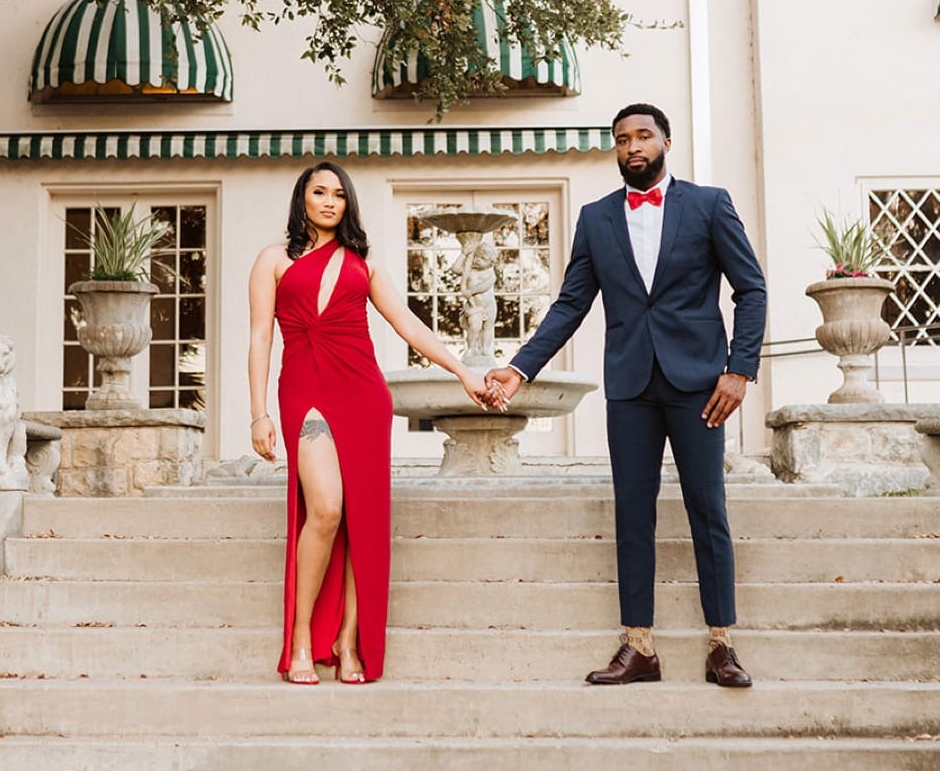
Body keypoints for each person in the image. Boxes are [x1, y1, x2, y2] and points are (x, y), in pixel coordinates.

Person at [486, 103, 767, 688]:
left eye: (643, 136)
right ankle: (638, 646)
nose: (632, 146)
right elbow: (570, 304)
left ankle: (722, 646)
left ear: (667, 141)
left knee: (707, 510)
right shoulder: (595, 218)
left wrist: (738, 371)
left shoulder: (710, 204)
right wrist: (519, 370)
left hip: (699, 387)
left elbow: (751, 289)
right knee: (632, 515)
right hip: (631, 387)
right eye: (621, 140)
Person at [249, 161, 491, 684]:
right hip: (304, 393)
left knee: (363, 520)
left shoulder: (364, 264)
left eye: (338, 194)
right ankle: (299, 640)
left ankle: (348, 643)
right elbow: (260, 338)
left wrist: (462, 371)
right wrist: (258, 413)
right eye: (319, 192)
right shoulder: (272, 260)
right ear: (303, 198)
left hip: (362, 394)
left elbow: (407, 324)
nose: (329, 201)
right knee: (327, 508)